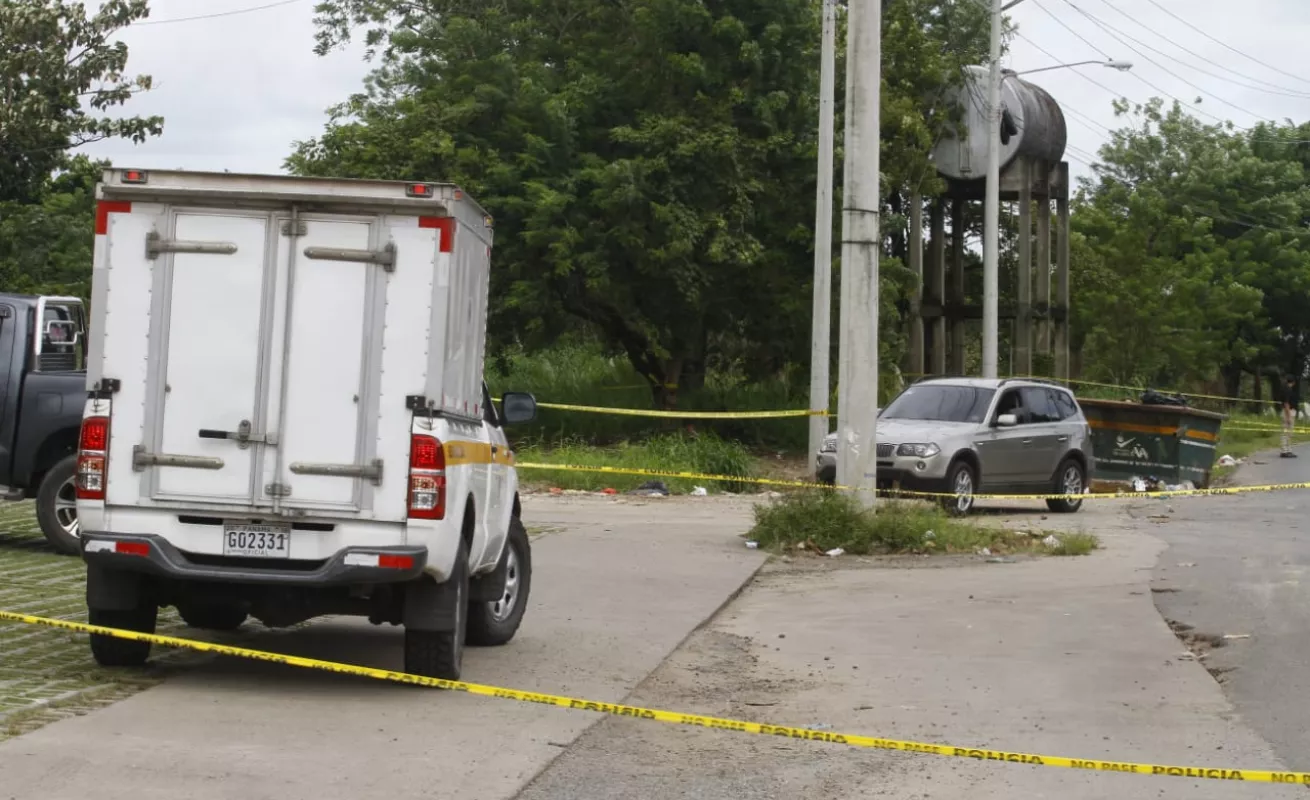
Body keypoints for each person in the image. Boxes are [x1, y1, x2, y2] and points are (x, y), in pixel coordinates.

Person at [1282, 374, 1301, 458]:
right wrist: (1289, 416)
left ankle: (1286, 450)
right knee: (1288, 432)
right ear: (1293, 382)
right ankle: (1286, 451)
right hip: (1288, 412)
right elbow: (1286, 403)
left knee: (1286, 432)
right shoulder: (1288, 390)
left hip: (1287, 411)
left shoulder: (1285, 389)